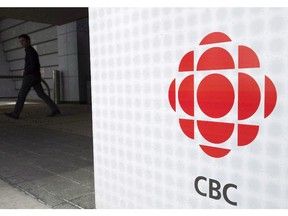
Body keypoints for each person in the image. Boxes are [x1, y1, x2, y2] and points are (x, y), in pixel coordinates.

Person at [4, 34, 60, 119]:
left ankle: (15, 114)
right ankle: (55, 109)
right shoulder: (30, 50)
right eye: (20, 41)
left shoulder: (30, 51)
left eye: (23, 41)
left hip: (30, 76)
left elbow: (34, 65)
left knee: (21, 95)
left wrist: (25, 72)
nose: (21, 43)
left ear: (28, 41)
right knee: (41, 94)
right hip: (35, 76)